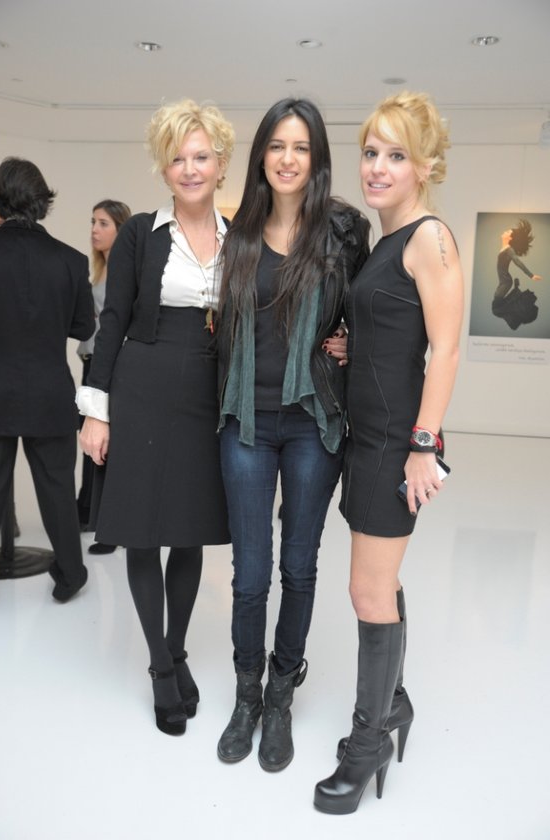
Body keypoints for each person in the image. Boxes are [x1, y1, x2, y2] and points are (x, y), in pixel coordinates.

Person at [313, 91, 464, 814]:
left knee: (366, 591)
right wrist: (354, 345)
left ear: (425, 166)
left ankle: (367, 741)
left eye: (395, 155)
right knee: (381, 582)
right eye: (371, 152)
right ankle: (393, 702)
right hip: (366, 434)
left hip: (395, 443)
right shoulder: (385, 242)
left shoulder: (429, 237)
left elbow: (446, 349)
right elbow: (397, 333)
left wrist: (423, 446)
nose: (376, 167)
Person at [216, 98, 370, 771]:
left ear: (316, 158)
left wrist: (353, 342)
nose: (287, 158)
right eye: (277, 145)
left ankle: (281, 694)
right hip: (246, 421)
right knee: (250, 573)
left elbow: (372, 309)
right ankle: (246, 695)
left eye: (301, 147)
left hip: (312, 420)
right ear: (261, 156)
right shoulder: (238, 233)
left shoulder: (344, 232)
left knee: (298, 566)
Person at [77, 100, 234, 735]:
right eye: (177, 158)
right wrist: (96, 411)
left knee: (189, 532)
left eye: (200, 156)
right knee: (142, 532)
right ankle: (160, 667)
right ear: (163, 168)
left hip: (205, 395)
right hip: (141, 390)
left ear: (220, 163)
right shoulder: (141, 233)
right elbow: (112, 321)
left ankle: (178, 648)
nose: (189, 169)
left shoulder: (239, 236)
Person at [0, 157, 95, 606]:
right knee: (57, 490)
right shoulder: (71, 260)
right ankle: (71, 574)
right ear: (41, 201)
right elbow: (83, 326)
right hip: (51, 392)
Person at [76, 199, 131, 555]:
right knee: (91, 440)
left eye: (103, 223)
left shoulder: (125, 271)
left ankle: (110, 528)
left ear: (120, 229)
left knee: (107, 444)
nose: (95, 230)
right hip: (92, 362)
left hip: (109, 364)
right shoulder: (100, 270)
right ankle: (89, 512)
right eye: (93, 222)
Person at [491, 220, 543, 330]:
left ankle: (519, 304)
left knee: (496, 309)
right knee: (497, 308)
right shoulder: (505, 248)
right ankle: (516, 293)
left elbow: (517, 262)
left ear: (510, 238)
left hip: (505, 281)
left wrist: (531, 275)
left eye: (508, 232)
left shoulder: (509, 250)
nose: (505, 232)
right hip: (504, 281)